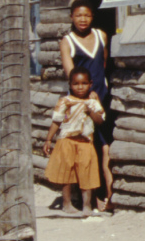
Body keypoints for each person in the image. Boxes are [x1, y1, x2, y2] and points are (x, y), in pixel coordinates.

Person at [59, 0, 115, 210]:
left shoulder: (101, 36)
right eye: (78, 15)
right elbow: (71, 74)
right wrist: (85, 98)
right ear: (71, 17)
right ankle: (86, 198)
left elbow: (103, 63)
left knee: (104, 146)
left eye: (87, 15)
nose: (83, 19)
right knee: (84, 148)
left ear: (92, 17)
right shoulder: (68, 41)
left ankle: (108, 196)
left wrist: (98, 95)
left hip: (101, 97)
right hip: (81, 101)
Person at [42, 68, 105, 214]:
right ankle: (66, 203)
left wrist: (90, 111)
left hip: (85, 142)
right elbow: (56, 121)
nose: (80, 87)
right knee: (66, 173)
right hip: (67, 141)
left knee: (87, 173)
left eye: (84, 83)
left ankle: (87, 205)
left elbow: (100, 121)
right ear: (70, 85)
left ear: (90, 84)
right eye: (76, 84)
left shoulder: (92, 102)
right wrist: (48, 139)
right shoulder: (65, 101)